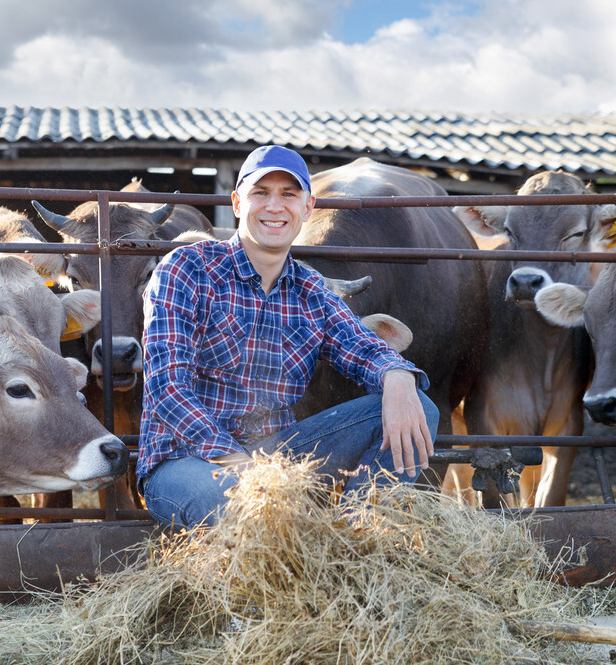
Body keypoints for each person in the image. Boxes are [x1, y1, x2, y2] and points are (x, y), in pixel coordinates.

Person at [137, 144, 439, 531]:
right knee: (231, 500)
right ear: (237, 202)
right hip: (185, 464)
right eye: (260, 193)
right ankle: (275, 525)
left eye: (289, 194)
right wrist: (243, 470)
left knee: (420, 407)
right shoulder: (186, 268)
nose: (275, 207)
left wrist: (396, 376)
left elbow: (364, 348)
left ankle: (354, 541)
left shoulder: (312, 291)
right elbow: (168, 389)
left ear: (308, 208)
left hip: (274, 459)